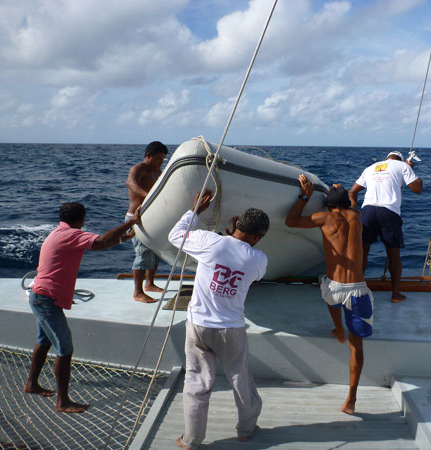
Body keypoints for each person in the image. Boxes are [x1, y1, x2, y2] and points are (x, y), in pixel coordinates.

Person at [168, 190, 269, 449]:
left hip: (199, 326)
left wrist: (194, 212)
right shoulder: (258, 259)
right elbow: (253, 272)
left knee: (197, 384)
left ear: (237, 223)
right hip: (231, 330)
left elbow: (175, 235)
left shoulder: (208, 241)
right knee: (240, 379)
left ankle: (191, 440)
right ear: (257, 236)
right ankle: (246, 429)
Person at [24, 202, 140, 413]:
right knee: (65, 348)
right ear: (81, 220)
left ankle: (31, 384)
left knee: (44, 340)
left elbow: (98, 245)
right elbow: (101, 240)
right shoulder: (72, 234)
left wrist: (123, 238)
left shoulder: (60, 232)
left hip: (40, 296)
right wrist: (131, 223)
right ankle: (63, 401)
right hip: (46, 299)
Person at [285, 174, 374, 415]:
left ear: (327, 205)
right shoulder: (357, 216)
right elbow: (352, 201)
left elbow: (291, 222)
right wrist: (341, 190)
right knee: (357, 347)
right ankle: (351, 400)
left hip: (333, 288)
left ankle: (337, 328)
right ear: (346, 203)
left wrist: (305, 196)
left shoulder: (323, 218)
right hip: (356, 290)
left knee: (326, 291)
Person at [349, 151, 423, 303]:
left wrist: (355, 209)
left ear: (387, 158)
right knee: (393, 255)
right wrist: (410, 169)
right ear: (401, 159)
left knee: (362, 252)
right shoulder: (403, 166)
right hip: (389, 212)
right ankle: (396, 295)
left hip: (367, 211)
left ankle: (358, 293)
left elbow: (352, 192)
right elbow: (417, 189)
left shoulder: (371, 167)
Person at [126, 141, 169, 303]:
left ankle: (149, 284)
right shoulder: (138, 169)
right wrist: (149, 196)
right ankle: (137, 292)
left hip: (153, 218)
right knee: (142, 253)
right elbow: (130, 184)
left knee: (155, 252)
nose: (159, 162)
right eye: (157, 159)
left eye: (162, 160)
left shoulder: (158, 171)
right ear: (148, 156)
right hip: (137, 218)